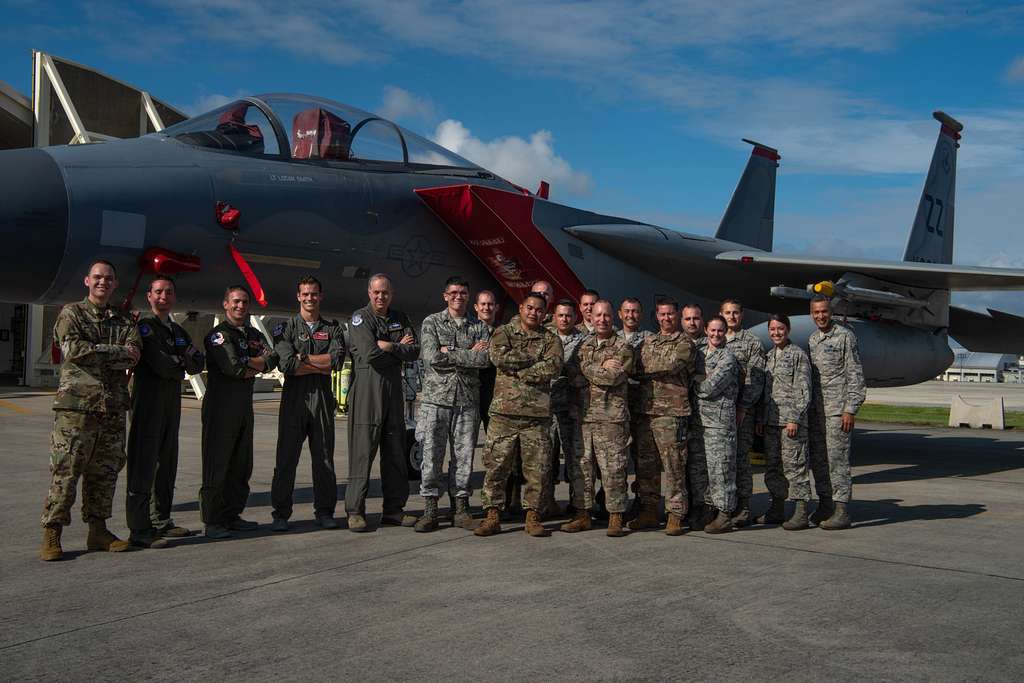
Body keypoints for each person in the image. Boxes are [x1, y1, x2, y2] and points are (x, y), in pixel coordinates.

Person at [40, 259, 141, 561]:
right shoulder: (71, 313)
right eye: (97, 277)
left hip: (111, 408)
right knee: (66, 471)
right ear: (87, 281)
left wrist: (97, 350)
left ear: (114, 284)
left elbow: (133, 356)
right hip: (76, 409)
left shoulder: (124, 320)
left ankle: (98, 530)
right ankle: (52, 531)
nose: (103, 283)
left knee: (105, 472)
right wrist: (115, 352)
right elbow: (72, 351)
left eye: (108, 279)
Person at [474, 293, 563, 538]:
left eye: (539, 310)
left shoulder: (551, 339)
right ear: (522, 308)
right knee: (496, 467)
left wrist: (522, 371)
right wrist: (534, 358)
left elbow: (553, 367)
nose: (534, 312)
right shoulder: (504, 332)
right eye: (530, 308)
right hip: (504, 414)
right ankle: (492, 515)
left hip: (536, 417)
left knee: (537, 469)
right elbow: (499, 358)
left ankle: (533, 515)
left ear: (545, 313)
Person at [125, 276, 204, 549]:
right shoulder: (145, 328)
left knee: (167, 462)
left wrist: (178, 360)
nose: (163, 297)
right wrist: (180, 360)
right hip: (148, 403)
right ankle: (139, 528)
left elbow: (197, 363)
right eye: (158, 292)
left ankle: (161, 520)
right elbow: (161, 365)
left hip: (171, 404)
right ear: (149, 296)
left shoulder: (178, 331)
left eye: (169, 292)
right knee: (143, 464)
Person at [201, 285, 278, 539]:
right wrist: (253, 364)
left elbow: (272, 358)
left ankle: (232, 515)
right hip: (221, 409)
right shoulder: (218, 336)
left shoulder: (253, 334)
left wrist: (249, 362)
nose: (240, 306)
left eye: (244, 302)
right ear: (225, 304)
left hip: (244, 408)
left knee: (241, 465)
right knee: (218, 465)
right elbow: (233, 367)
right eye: (235, 301)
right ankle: (213, 521)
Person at [414, 276, 491, 532]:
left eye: (463, 293)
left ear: (469, 297)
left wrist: (452, 351)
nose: (459, 296)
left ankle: (461, 508)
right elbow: (431, 358)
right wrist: (468, 351)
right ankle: (430, 509)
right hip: (436, 401)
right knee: (431, 455)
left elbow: (484, 360)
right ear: (445, 296)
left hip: (467, 401)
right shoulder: (432, 322)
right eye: (454, 292)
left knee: (464, 456)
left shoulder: (478, 326)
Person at [270, 276, 346, 532]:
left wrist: (304, 359)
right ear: (298, 297)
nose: (310, 298)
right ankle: (281, 513)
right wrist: (317, 363)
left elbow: (335, 363)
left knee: (324, 458)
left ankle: (324, 512)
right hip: (294, 400)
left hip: (322, 400)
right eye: (305, 294)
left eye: (314, 294)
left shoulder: (333, 328)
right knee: (286, 458)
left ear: (320, 296)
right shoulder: (286, 328)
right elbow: (287, 365)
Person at [346, 274, 420, 532]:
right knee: (362, 452)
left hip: (393, 392)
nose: (380, 297)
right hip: (367, 391)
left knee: (396, 452)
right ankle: (355, 510)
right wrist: (397, 348)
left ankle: (394, 510)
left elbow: (414, 351)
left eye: (385, 293)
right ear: (369, 293)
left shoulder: (400, 318)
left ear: (391, 294)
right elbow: (370, 354)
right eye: (376, 292)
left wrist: (388, 346)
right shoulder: (360, 318)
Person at [562, 300, 634, 536]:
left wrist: (588, 368)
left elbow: (613, 377)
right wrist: (598, 366)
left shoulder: (623, 346)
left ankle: (615, 516)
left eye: (607, 315)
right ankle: (582, 514)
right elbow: (571, 374)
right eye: (598, 315)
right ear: (590, 318)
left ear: (613, 318)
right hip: (583, 418)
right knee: (582, 468)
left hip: (611, 419)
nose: (602, 319)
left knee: (613, 469)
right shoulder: (581, 345)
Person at [629, 299, 695, 536]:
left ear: (676, 316)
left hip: (672, 413)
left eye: (670, 314)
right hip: (646, 412)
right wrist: (643, 368)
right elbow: (632, 367)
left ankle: (675, 513)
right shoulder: (647, 342)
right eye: (662, 314)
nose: (666, 318)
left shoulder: (684, 342)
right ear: (656, 316)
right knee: (646, 466)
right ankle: (648, 510)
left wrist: (645, 369)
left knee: (674, 466)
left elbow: (673, 364)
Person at [807, 295, 866, 530]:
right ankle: (825, 504)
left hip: (837, 411)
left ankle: (841, 510)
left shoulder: (844, 336)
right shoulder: (813, 339)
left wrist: (850, 409)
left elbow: (855, 375)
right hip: (817, 412)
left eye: (824, 311)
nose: (820, 316)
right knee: (819, 461)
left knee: (837, 461)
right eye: (816, 312)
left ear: (830, 312)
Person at [755, 313, 813, 530]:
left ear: (787, 330)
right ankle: (777, 508)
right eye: (772, 329)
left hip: (790, 424)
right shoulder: (769, 357)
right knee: (773, 468)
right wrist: (761, 418)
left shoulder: (798, 355)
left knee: (795, 467)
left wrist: (794, 418)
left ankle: (801, 512)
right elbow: (765, 392)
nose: (776, 333)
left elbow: (804, 390)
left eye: (780, 329)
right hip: (771, 422)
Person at [720, 299, 765, 527]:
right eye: (727, 312)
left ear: (742, 314)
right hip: (718, 413)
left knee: (741, 460)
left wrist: (743, 407)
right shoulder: (715, 338)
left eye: (735, 312)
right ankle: (723, 504)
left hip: (741, 413)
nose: (732, 316)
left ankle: (744, 506)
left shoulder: (751, 342)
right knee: (722, 461)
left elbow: (755, 380)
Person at [695, 315, 740, 534]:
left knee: (722, 469)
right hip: (701, 422)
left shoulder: (728, 358)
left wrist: (697, 379)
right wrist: (698, 377)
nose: (715, 335)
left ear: (726, 332)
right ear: (706, 330)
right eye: (712, 330)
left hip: (720, 424)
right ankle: (709, 508)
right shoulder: (700, 352)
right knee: (706, 469)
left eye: (720, 331)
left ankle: (725, 515)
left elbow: (708, 388)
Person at [549, 299, 587, 518]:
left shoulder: (584, 341)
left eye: (569, 315)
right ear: (555, 317)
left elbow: (584, 371)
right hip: (548, 408)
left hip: (572, 407)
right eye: (561, 315)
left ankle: (576, 502)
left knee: (575, 457)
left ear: (576, 317)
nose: (564, 319)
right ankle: (548, 500)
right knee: (547, 457)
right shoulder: (546, 338)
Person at [618, 296, 651, 517]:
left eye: (636, 311)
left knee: (643, 456)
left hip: (641, 406)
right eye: (627, 311)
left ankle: (642, 500)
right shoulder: (611, 338)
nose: (631, 315)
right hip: (616, 406)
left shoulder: (650, 339)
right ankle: (613, 502)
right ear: (620, 314)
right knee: (615, 457)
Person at [681, 303, 712, 529]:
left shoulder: (709, 345)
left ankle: (702, 508)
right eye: (688, 319)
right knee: (681, 465)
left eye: (696, 318)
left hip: (704, 416)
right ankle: (685, 506)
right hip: (680, 415)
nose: (692, 323)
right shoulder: (675, 343)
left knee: (701, 465)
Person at [474, 290, 499, 432]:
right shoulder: (467, 331)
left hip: (493, 393)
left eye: (490, 304)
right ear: (476, 307)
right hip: (471, 392)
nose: (486, 308)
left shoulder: (504, 332)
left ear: (496, 307)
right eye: (483, 304)